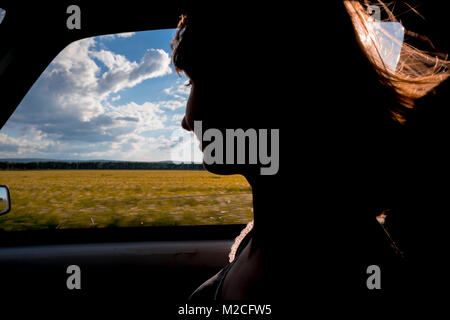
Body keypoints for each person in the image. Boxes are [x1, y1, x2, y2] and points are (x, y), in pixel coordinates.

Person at [171, 1, 449, 302]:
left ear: (255, 87)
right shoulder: (271, 238)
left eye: (194, 82)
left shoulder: (337, 269)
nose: (186, 122)